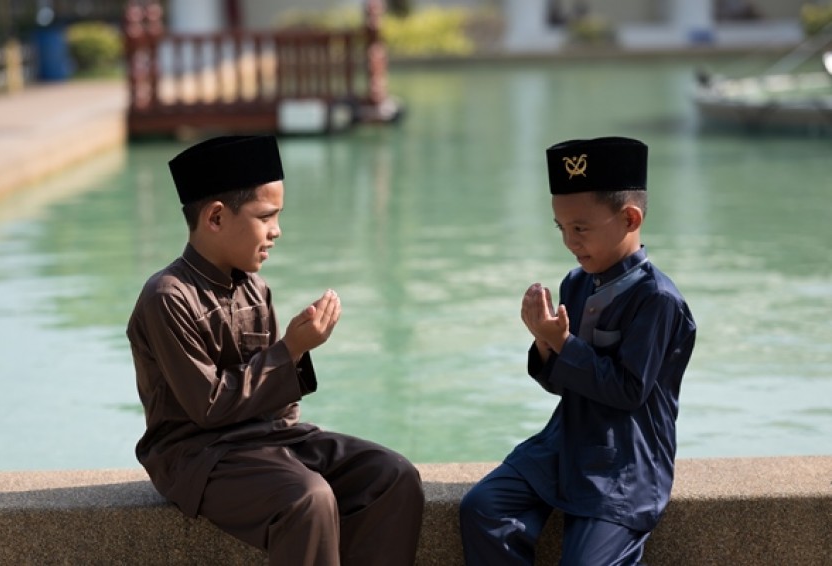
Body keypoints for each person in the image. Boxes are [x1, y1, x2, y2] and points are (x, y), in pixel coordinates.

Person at [126, 135, 424, 566]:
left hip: (265, 438)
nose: (277, 231)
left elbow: (280, 408)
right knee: (307, 498)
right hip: (195, 456)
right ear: (215, 218)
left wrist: (294, 357)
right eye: (267, 216)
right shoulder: (167, 296)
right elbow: (207, 407)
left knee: (392, 476)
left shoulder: (255, 290)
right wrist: (292, 349)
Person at [459, 136, 696, 565]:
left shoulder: (657, 300)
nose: (570, 241)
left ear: (629, 217)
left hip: (625, 462)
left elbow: (628, 391)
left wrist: (563, 342)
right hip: (564, 442)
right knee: (484, 509)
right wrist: (544, 342)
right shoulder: (577, 282)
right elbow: (560, 384)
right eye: (562, 228)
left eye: (581, 228)